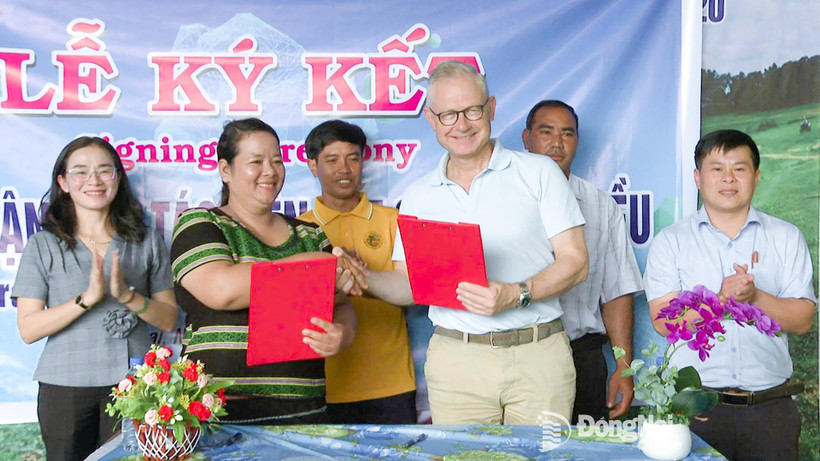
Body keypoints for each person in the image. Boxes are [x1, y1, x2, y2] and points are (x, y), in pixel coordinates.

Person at [367, 60, 589, 425]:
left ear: (491, 108)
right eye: (448, 114)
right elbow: (410, 284)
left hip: (538, 355)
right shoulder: (419, 195)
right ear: (431, 119)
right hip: (458, 361)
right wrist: (360, 277)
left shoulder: (539, 172)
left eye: (472, 110)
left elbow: (576, 262)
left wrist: (516, 293)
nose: (462, 124)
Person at [170, 118, 357, 425]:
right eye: (256, 161)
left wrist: (343, 334)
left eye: (277, 161)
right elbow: (222, 291)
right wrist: (311, 265)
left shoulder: (310, 235)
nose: (270, 171)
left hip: (303, 408)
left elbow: (342, 304)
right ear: (225, 170)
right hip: (218, 410)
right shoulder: (201, 224)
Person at [644, 129, 815, 460]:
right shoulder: (671, 241)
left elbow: (804, 319)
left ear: (756, 175)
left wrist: (753, 298)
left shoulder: (786, 237)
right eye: (717, 168)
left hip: (769, 410)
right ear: (698, 177)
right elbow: (664, 322)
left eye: (739, 168)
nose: (728, 179)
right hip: (696, 409)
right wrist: (719, 301)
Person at [12, 136, 179, 461]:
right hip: (65, 388)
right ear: (63, 182)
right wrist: (86, 299)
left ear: (118, 177)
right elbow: (28, 329)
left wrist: (129, 297)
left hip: (134, 384)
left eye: (105, 170)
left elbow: (170, 318)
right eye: (81, 172)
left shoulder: (145, 241)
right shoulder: (43, 244)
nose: (94, 180)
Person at [522, 100, 642, 422]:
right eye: (546, 132)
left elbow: (617, 291)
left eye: (567, 134)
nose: (557, 143)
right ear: (526, 138)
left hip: (582, 357)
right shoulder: (502, 200)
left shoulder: (600, 206)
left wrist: (623, 365)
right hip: (518, 355)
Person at [298, 120, 416, 424]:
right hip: (323, 386)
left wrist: (361, 278)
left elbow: (415, 293)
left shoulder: (394, 221)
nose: (344, 169)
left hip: (391, 383)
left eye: (353, 158)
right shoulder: (299, 230)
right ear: (313, 165)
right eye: (332, 159)